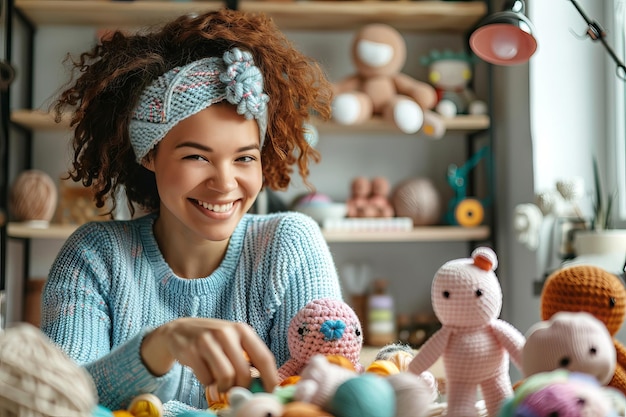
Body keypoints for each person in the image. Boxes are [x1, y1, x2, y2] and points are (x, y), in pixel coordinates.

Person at [40, 8, 343, 415]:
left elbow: (322, 396)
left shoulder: (290, 247)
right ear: (149, 154)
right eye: (197, 156)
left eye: (244, 158)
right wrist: (157, 348)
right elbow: (57, 401)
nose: (225, 183)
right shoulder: (94, 257)